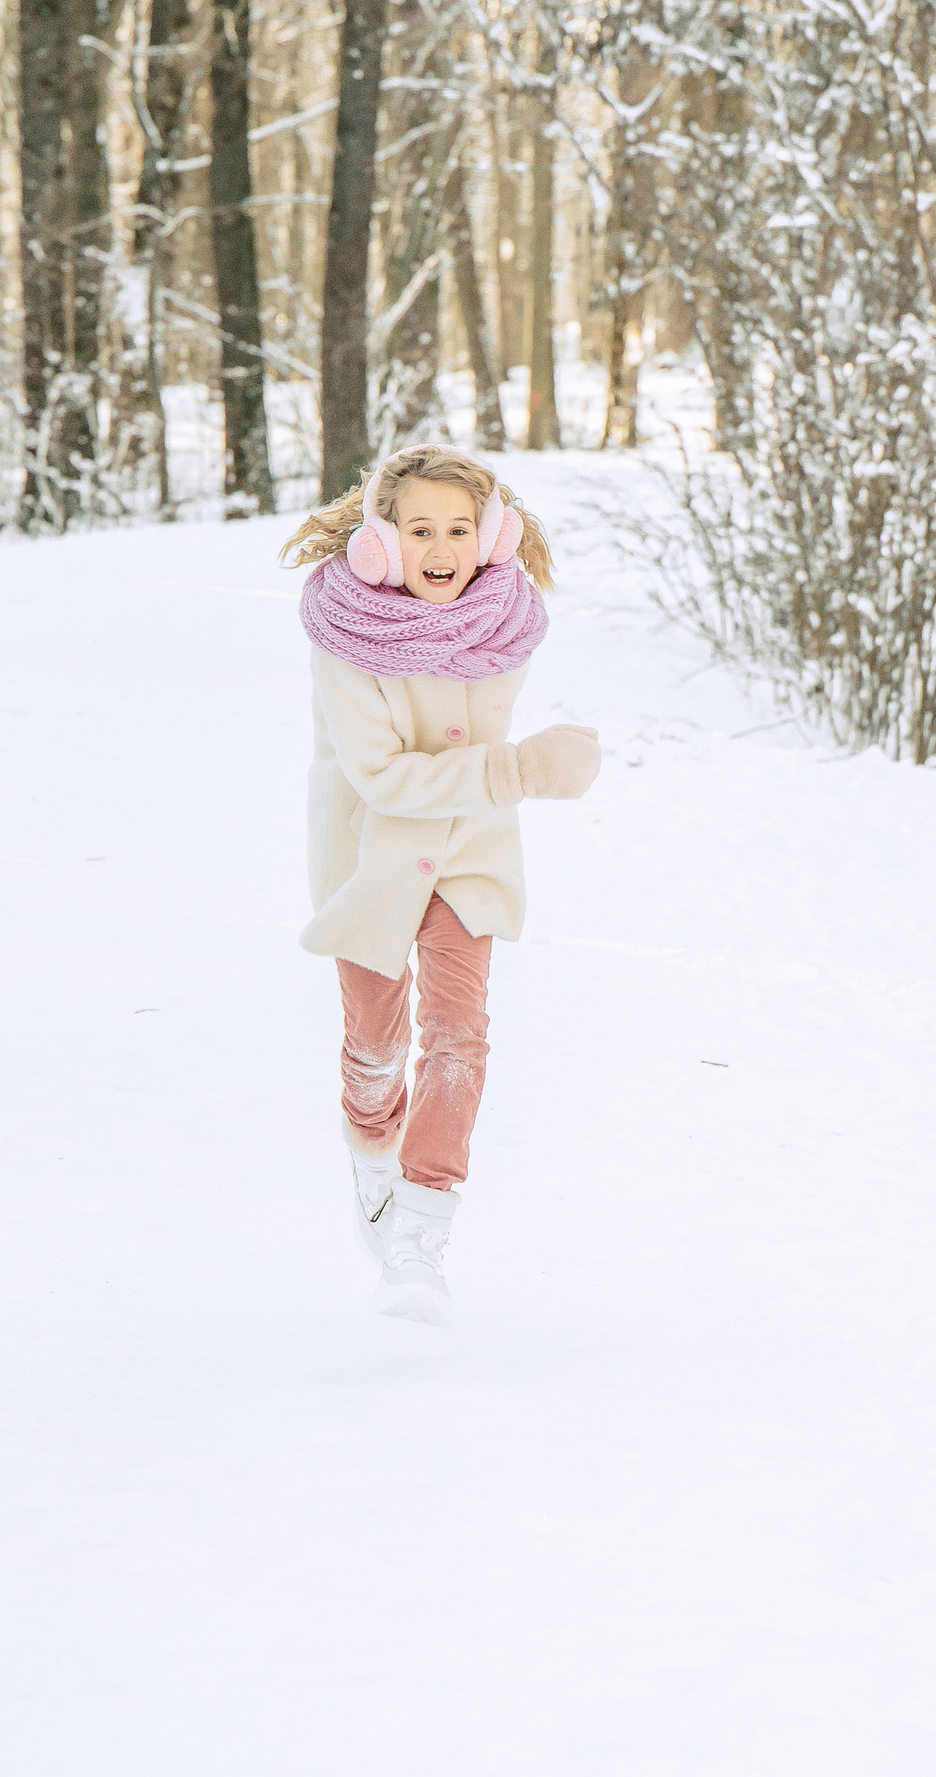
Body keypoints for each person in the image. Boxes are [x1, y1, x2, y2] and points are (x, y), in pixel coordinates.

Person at [283, 444, 602, 1324]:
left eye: (459, 528)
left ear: (490, 536)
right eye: (419, 528)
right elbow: (384, 778)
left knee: (459, 1034)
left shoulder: (503, 624)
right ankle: (372, 1146)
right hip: (370, 860)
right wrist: (522, 770)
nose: (441, 547)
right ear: (381, 539)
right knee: (377, 1048)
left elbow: (471, 752)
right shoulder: (345, 638)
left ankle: (422, 1234)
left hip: (468, 856)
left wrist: (519, 772)